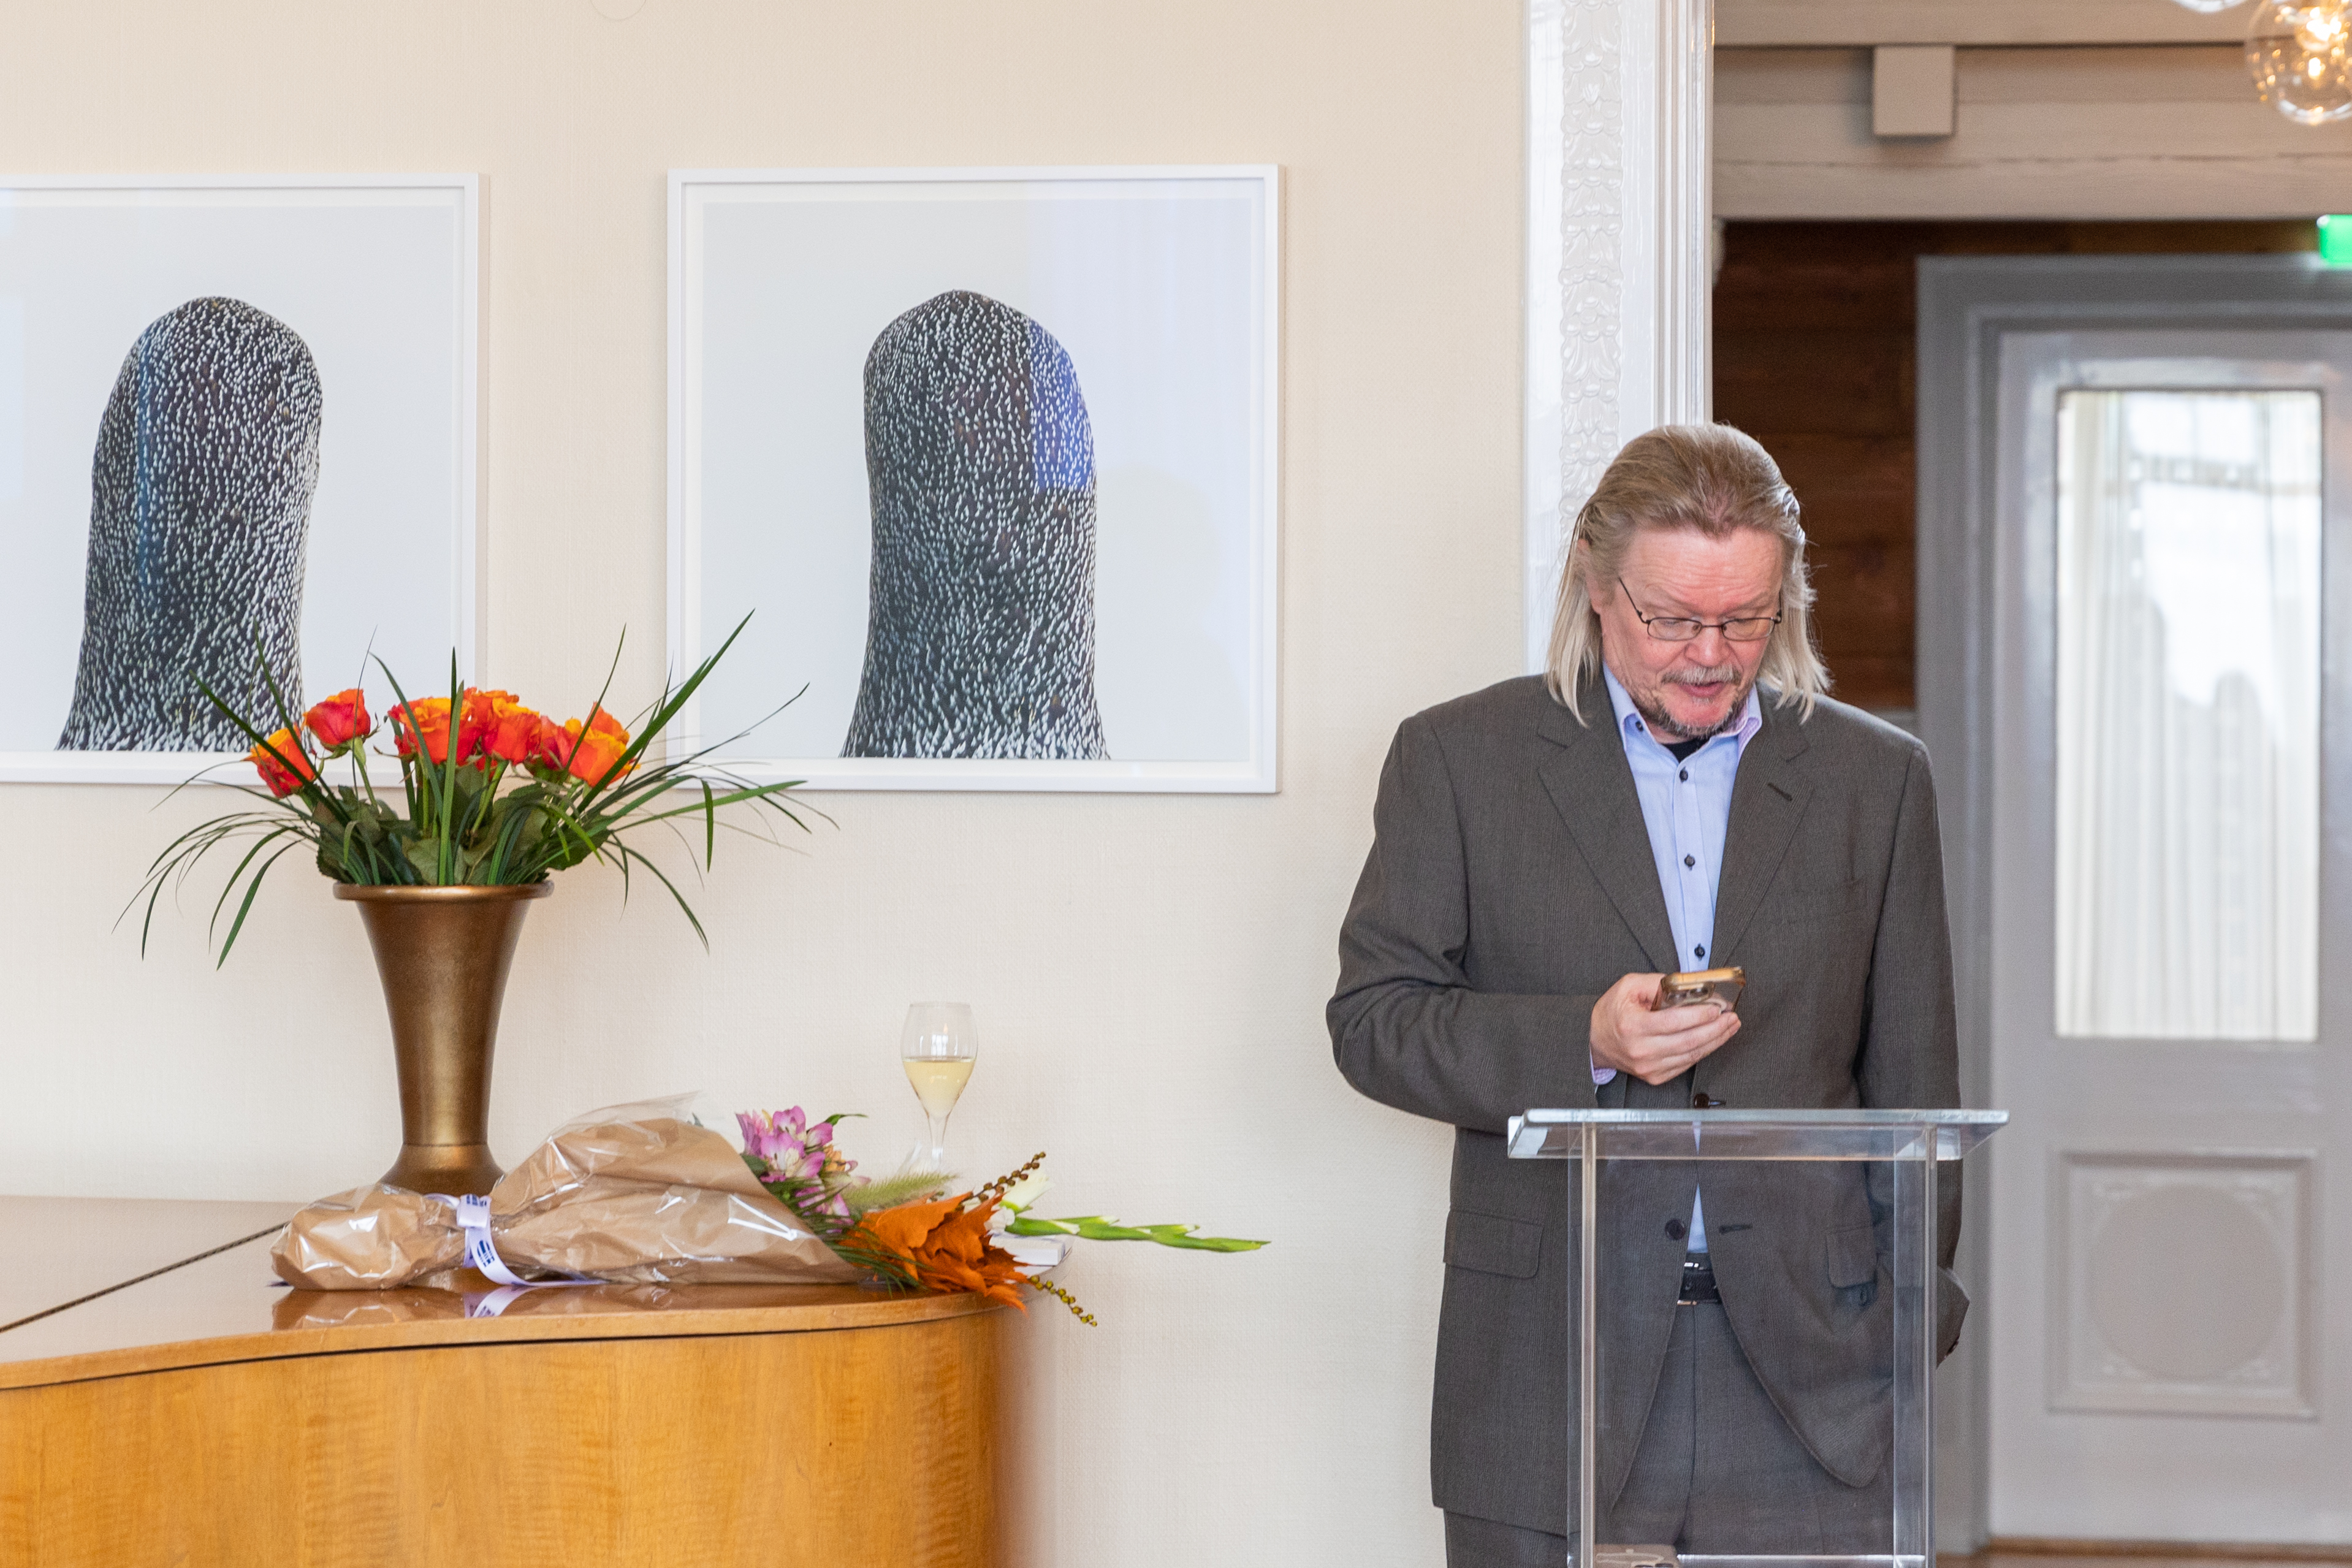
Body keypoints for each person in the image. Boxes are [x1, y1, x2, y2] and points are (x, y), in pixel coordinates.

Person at [1327, 424, 1965, 1567]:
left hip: (1815, 1371)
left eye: (1746, 618)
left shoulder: (1877, 780)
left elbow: (1917, 1080)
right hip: (1546, 1358)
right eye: (1671, 619)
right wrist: (1582, 1037)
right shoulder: (1456, 759)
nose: (1710, 655)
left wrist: (1909, 1318)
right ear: (1593, 579)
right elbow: (1373, 1021)